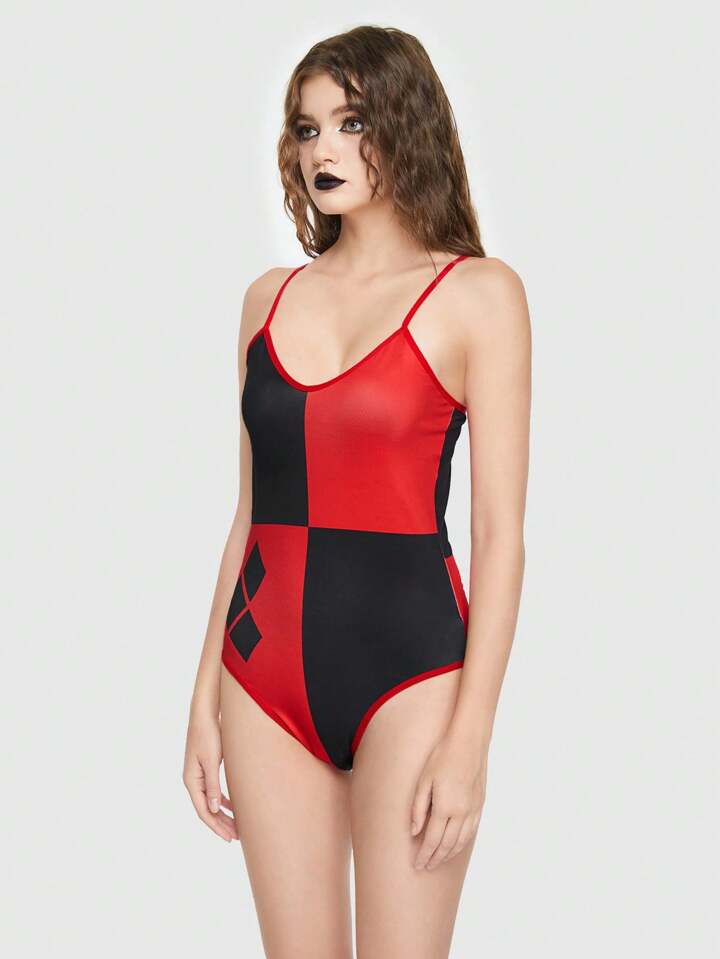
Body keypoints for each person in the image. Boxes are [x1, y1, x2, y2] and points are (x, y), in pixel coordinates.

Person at [183, 24, 531, 959]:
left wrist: (471, 740)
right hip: (261, 678)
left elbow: (500, 536)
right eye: (307, 129)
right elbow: (250, 515)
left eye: (351, 122)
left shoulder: (478, 295)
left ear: (405, 125)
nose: (322, 150)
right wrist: (204, 695)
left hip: (411, 676)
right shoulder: (266, 300)